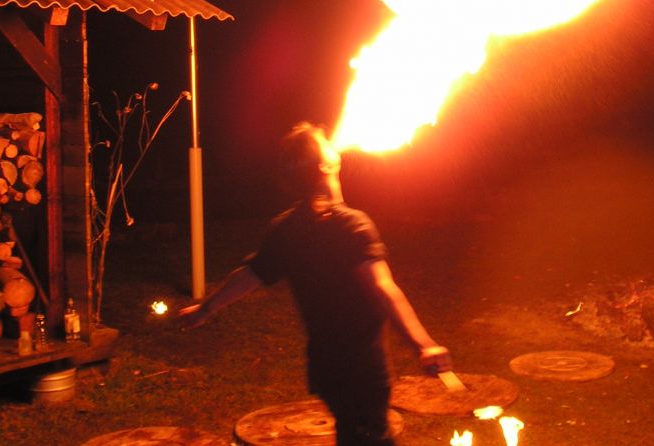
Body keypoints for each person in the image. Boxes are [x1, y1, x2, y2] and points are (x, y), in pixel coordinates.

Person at [178, 122, 453, 446]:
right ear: (324, 166)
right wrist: (423, 344)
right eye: (323, 143)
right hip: (363, 369)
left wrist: (206, 308)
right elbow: (383, 288)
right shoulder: (352, 225)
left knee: (352, 434)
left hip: (325, 368)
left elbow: (250, 275)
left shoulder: (286, 229)